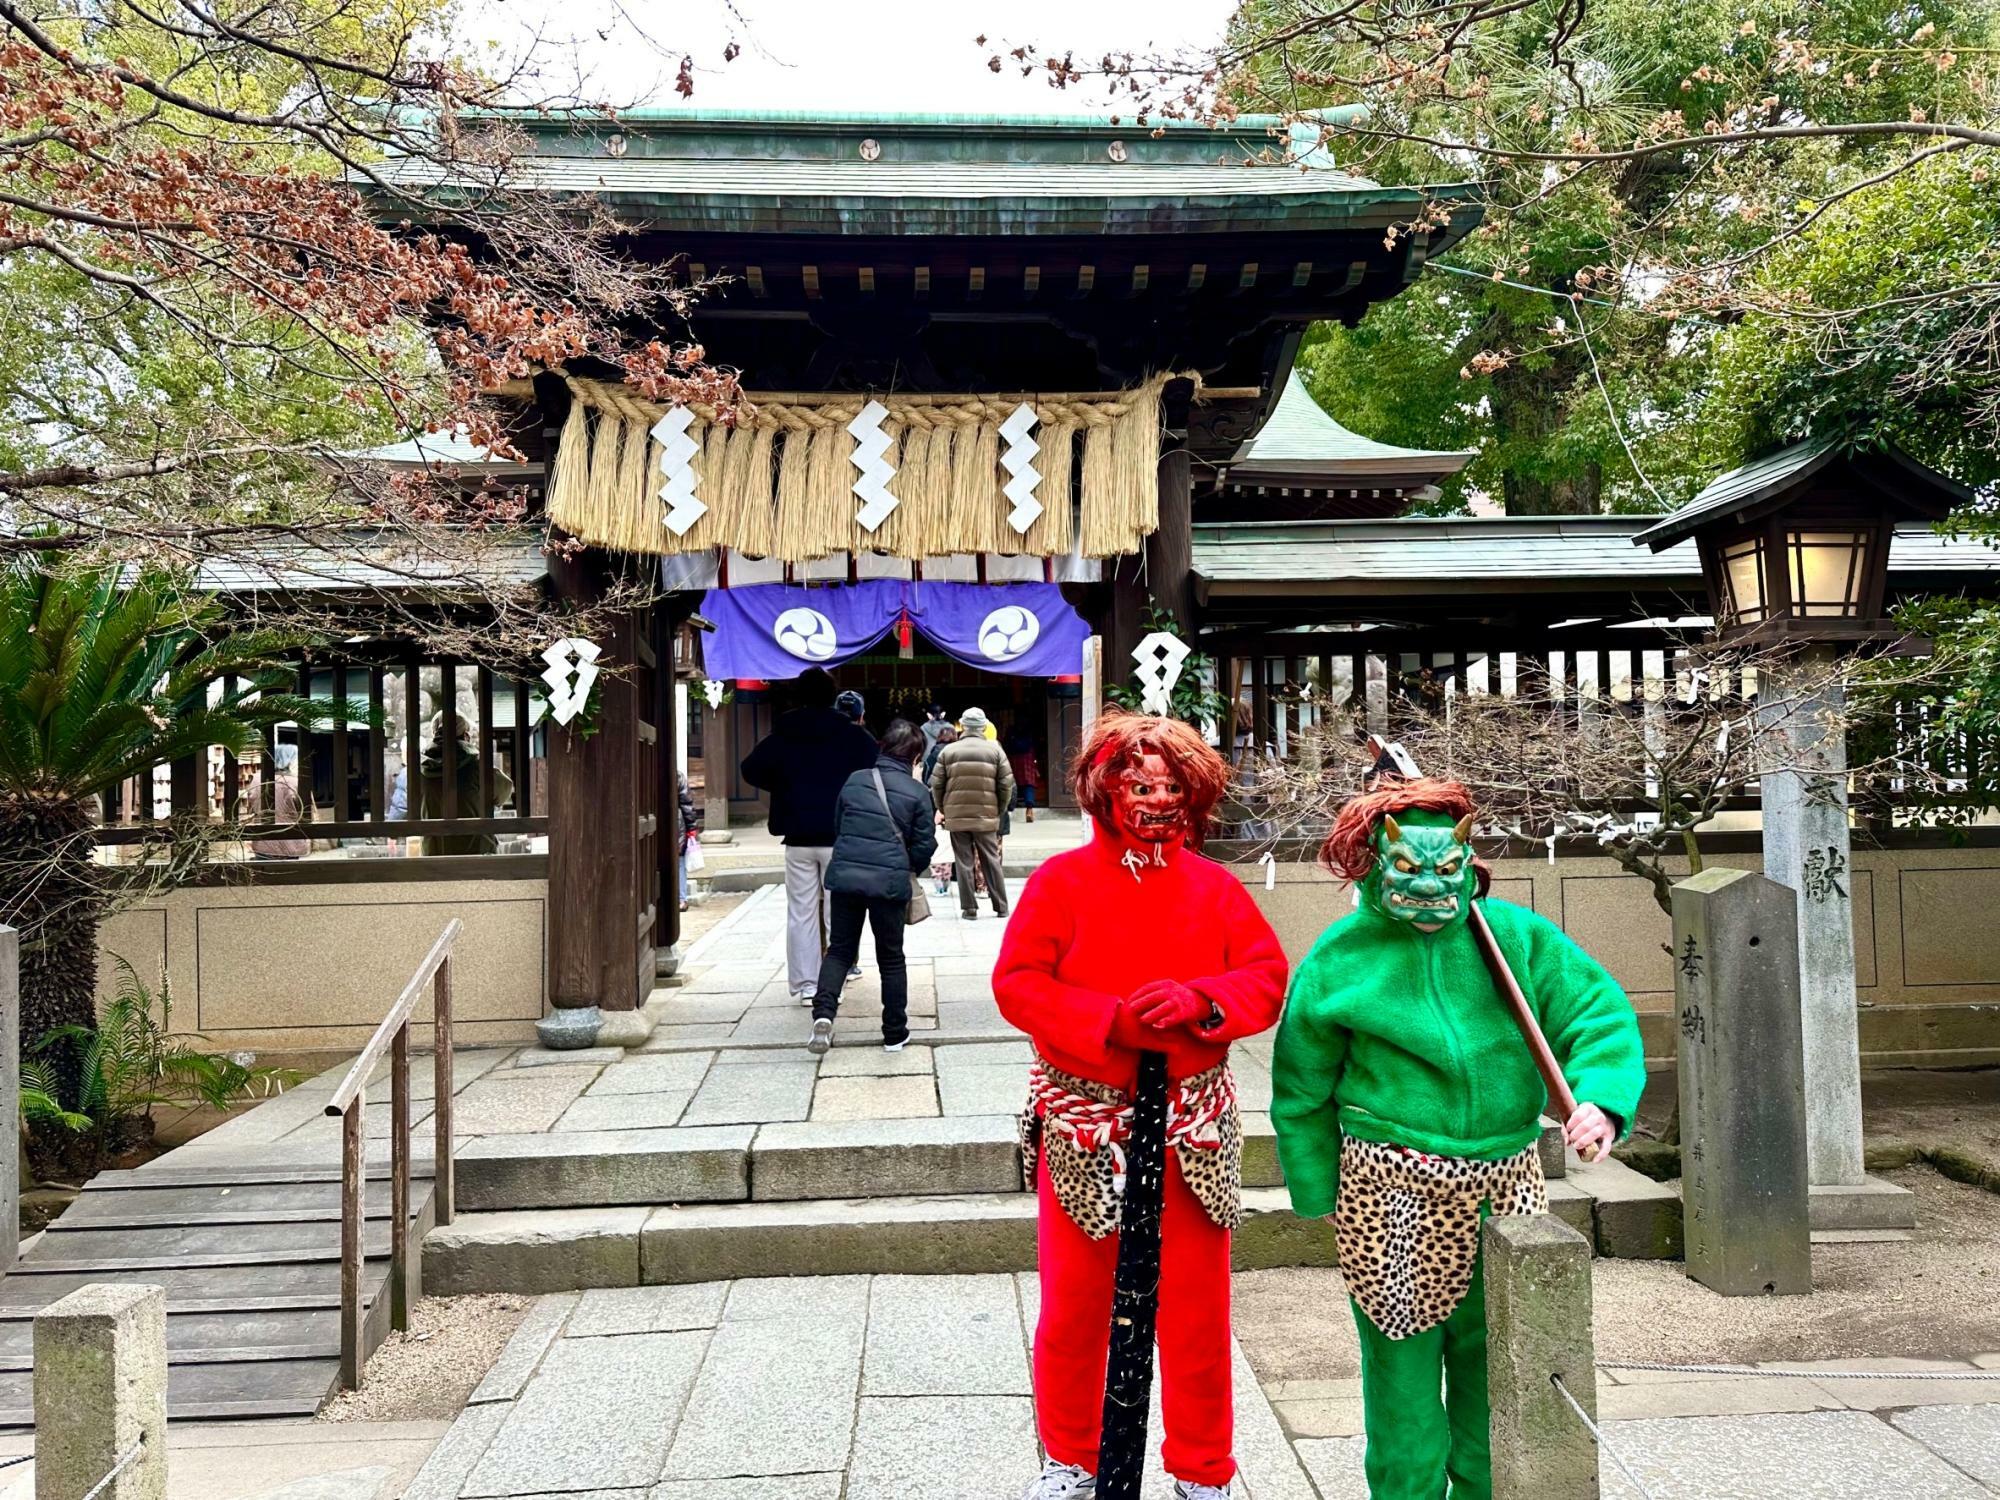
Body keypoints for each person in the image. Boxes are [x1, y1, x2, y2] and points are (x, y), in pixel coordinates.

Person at [1270, 777, 1645, 1500]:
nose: (1432, 886)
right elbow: (1302, 1083)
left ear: (1470, 861)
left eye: (1448, 869)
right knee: (1403, 1366)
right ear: (1372, 862)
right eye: (1410, 868)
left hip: (1507, 1181)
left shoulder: (1515, 936)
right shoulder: (1340, 957)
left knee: (1500, 1353)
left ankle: (1484, 1489)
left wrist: (1600, 1100)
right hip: (1390, 1189)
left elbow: (1594, 1012)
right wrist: (1317, 1188)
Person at [995, 710, 1288, 1500]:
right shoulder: (1061, 884)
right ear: (1101, 792)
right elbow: (1017, 984)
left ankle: (1202, 1468)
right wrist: (1106, 1020)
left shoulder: (1216, 889)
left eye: (1170, 786)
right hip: (1085, 1120)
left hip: (1191, 1121)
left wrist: (1202, 999)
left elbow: (1265, 977)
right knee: (1075, 1306)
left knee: (1195, 1310)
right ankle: (1071, 1458)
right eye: (1137, 784)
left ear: (1194, 798)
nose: (1154, 798)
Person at [740, 668, 880, 999]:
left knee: (800, 912)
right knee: (838, 913)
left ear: (798, 696)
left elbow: (750, 768)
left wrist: (785, 787)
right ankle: (834, 983)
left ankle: (806, 986)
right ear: (832, 696)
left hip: (798, 833)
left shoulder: (784, 733)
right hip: (840, 834)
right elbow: (875, 768)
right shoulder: (853, 736)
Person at [806, 719, 937, 1056]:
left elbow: (839, 827)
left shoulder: (855, 781)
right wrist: (908, 867)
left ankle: (823, 1015)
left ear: (881, 747)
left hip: (847, 877)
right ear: (915, 756)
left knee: (839, 950)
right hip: (890, 883)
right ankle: (895, 1032)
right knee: (891, 958)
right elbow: (925, 844)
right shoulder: (918, 793)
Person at [929, 705, 1013, 920]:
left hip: (957, 816)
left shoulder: (949, 751)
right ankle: (1001, 907)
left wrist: (943, 808)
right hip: (986, 815)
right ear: (984, 727)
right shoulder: (996, 751)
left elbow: (936, 784)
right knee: (991, 860)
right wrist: (999, 809)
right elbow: (1006, 785)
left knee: (964, 862)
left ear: (963, 726)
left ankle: (969, 908)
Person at [417, 713, 515, 855]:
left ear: (434, 735)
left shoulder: (418, 772)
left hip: (435, 856)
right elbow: (505, 790)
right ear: (466, 736)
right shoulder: (479, 769)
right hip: (477, 856)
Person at [250, 744, 310, 859]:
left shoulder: (257, 780)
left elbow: (252, 807)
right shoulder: (296, 782)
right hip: (291, 843)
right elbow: (306, 813)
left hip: (263, 841)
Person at [1005, 721, 1043, 823]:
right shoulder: (1030, 730)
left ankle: (1012, 807)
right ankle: (1029, 810)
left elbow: (1007, 744)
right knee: (1028, 783)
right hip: (1028, 759)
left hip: (1014, 759)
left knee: (1014, 783)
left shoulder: (1011, 730)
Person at [676, 771, 700, 911]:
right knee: (679, 863)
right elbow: (686, 804)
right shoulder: (677, 776)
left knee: (679, 862)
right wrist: (691, 827)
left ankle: (680, 898)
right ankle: (681, 899)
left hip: (675, 823)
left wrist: (691, 827)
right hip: (677, 823)